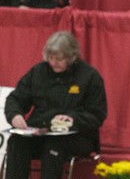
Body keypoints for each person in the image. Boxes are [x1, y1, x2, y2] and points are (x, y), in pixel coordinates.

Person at [4, 31, 107, 179]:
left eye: (60, 59)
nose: (54, 63)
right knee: (17, 141)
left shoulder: (90, 76)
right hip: (40, 131)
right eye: (51, 58)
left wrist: (73, 118)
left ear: (72, 57)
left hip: (77, 136)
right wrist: (15, 115)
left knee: (54, 145)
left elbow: (97, 114)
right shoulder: (38, 71)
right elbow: (15, 98)